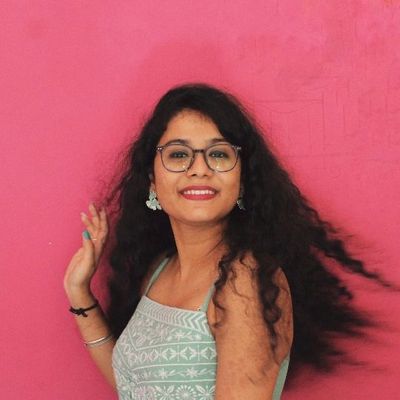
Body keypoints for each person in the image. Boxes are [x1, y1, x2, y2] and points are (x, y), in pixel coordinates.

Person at [64, 83, 394, 399]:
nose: (199, 169)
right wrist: (79, 293)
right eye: (178, 154)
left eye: (219, 154)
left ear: (242, 180)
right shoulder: (159, 270)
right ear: (152, 180)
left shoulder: (243, 282)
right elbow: (134, 387)